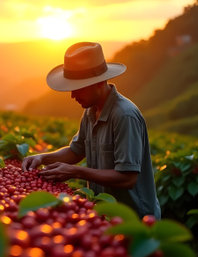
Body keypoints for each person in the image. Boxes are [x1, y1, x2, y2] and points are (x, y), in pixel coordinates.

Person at [22, 42, 161, 219]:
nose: (73, 96)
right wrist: (42, 157)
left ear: (99, 82)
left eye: (78, 88)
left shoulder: (124, 116)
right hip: (104, 214)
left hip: (134, 217)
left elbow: (127, 178)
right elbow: (75, 151)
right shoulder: (90, 112)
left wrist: (76, 171)